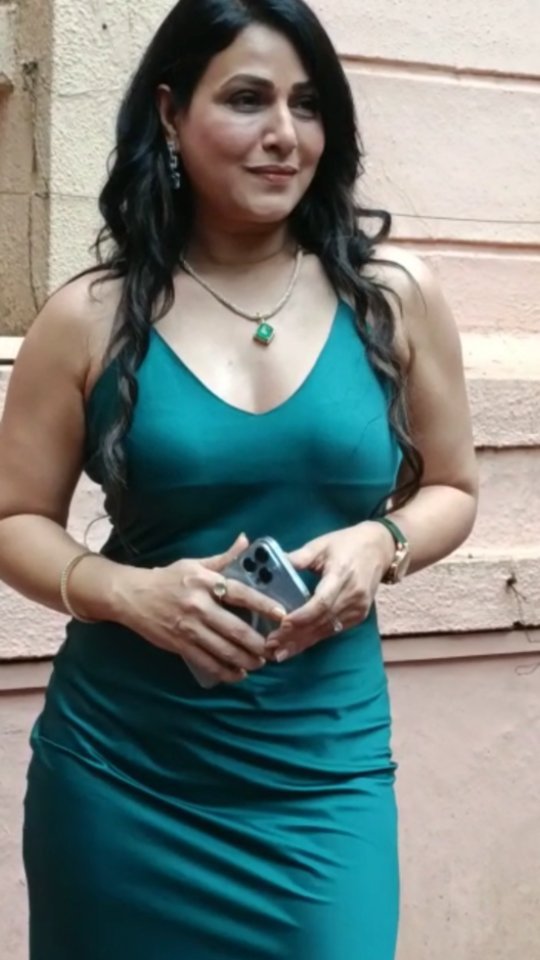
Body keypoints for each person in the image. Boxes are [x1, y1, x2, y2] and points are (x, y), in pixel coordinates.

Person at [0, 1, 478, 957]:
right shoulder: (91, 316)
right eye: (248, 99)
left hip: (320, 777)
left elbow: (454, 491)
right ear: (170, 114)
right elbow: (14, 518)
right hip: (121, 772)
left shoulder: (393, 298)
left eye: (309, 105)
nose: (284, 135)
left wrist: (381, 542)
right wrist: (128, 593)